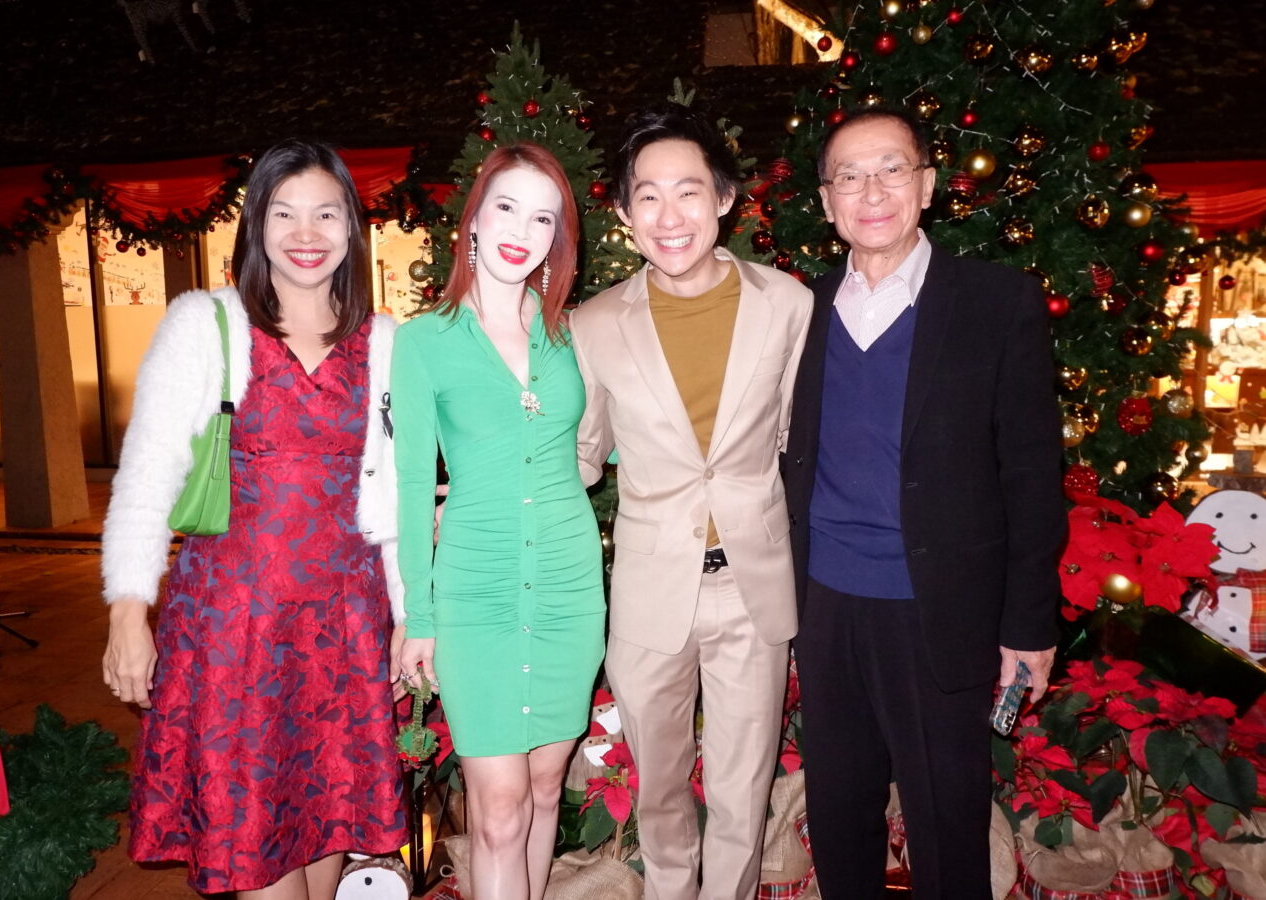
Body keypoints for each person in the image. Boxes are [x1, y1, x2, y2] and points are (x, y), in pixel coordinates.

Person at [101, 139, 406, 900]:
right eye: (284, 213)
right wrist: (128, 610)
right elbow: (147, 474)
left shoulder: (385, 343)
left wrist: (410, 616)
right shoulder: (207, 324)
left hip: (344, 627)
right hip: (236, 630)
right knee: (257, 857)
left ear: (352, 227)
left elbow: (395, 496)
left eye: (326, 214)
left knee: (327, 828)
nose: (307, 233)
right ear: (256, 226)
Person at [782, 107, 1066, 899]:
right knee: (839, 817)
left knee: (948, 822)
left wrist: (1028, 626)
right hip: (825, 606)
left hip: (944, 609)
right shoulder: (794, 312)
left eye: (892, 169)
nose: (871, 192)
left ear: (928, 186)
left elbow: (1032, 475)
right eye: (849, 176)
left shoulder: (996, 303)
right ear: (827, 201)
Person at [570, 104, 813, 900]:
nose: (668, 215)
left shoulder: (788, 304)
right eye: (647, 196)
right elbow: (581, 456)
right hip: (649, 590)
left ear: (725, 198)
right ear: (623, 211)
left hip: (752, 585)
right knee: (660, 791)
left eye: (688, 192)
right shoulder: (594, 324)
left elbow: (797, 435)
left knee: (743, 793)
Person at [392, 142, 605, 900]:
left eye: (544, 217)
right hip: (475, 590)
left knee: (546, 788)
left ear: (559, 237)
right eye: (507, 207)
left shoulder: (573, 336)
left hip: (568, 586)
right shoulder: (423, 341)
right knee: (501, 809)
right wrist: (419, 614)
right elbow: (411, 484)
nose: (523, 229)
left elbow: (605, 443)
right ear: (474, 219)